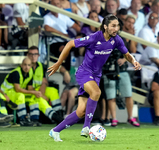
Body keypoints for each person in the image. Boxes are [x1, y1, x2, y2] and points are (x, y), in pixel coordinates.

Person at [48, 14, 141, 142]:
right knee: (96, 92)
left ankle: (55, 131)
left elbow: (127, 54)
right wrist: (58, 63)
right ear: (105, 26)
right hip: (84, 72)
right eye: (113, 26)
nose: (116, 28)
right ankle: (86, 127)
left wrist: (134, 61)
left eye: (118, 26)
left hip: (96, 76)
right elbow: (70, 43)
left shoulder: (117, 40)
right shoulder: (94, 37)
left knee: (80, 111)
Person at [43, 0, 80, 84]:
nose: (56, 6)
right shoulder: (47, 17)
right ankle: (65, 70)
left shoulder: (63, 16)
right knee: (66, 49)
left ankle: (69, 71)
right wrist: (62, 34)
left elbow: (77, 28)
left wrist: (79, 35)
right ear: (50, 6)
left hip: (65, 41)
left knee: (77, 48)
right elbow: (47, 28)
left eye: (58, 4)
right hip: (54, 42)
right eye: (54, 4)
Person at [1, 58, 41, 126]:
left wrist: (35, 93)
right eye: (25, 65)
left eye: (28, 65)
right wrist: (34, 92)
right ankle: (22, 119)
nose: (27, 67)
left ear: (31, 66)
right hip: (5, 93)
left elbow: (29, 88)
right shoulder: (16, 72)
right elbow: (18, 89)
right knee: (21, 95)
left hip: (15, 92)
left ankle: (35, 119)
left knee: (33, 97)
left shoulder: (30, 72)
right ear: (21, 65)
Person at [27, 46, 63, 115]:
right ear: (27, 55)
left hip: (39, 89)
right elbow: (29, 88)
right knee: (39, 99)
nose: (33, 57)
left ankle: (59, 112)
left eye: (35, 54)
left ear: (38, 55)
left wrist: (42, 94)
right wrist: (41, 95)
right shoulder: (26, 67)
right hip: (30, 91)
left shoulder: (41, 66)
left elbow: (44, 82)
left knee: (53, 91)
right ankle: (54, 116)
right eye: (31, 54)